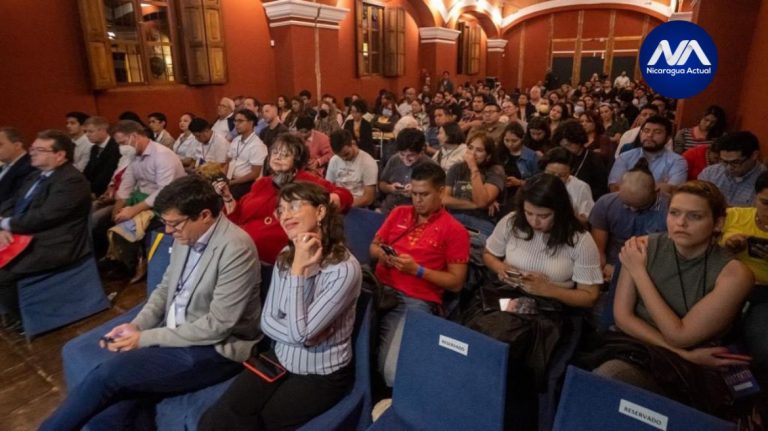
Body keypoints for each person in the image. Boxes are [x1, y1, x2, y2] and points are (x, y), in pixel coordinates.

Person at [39, 176, 263, 431]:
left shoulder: (236, 248)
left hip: (214, 349)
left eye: (174, 224)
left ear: (204, 215)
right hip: (176, 330)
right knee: (118, 397)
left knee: (107, 377)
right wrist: (137, 326)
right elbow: (165, 288)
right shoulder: (186, 236)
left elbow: (217, 327)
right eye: (165, 223)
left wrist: (143, 339)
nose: (168, 231)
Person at [200, 181, 361, 430]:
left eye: (294, 206)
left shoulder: (343, 269)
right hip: (280, 356)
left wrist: (298, 272)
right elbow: (268, 322)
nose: (285, 215)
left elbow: (299, 333)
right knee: (218, 418)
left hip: (320, 373)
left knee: (261, 425)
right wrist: (300, 334)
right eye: (281, 209)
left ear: (320, 212)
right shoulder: (288, 252)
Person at [591, 181, 754, 414]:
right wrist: (684, 353)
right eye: (674, 213)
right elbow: (623, 317)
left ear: (718, 223)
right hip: (638, 349)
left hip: (692, 369)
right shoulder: (642, 247)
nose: (680, 223)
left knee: (611, 379)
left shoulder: (735, 274)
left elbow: (679, 335)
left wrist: (639, 273)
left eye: (695, 216)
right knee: (605, 378)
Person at [481, 173, 603, 429]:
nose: (535, 221)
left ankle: (511, 409)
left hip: (552, 308)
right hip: (511, 296)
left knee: (513, 339)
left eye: (544, 215)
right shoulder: (512, 222)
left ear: (559, 210)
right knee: (487, 326)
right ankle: (484, 398)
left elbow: (589, 296)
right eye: (529, 213)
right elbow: (489, 255)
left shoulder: (579, 240)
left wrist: (548, 288)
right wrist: (502, 268)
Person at [372, 162, 470, 386]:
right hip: (379, 287)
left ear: (441, 192)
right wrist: (383, 255)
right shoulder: (399, 212)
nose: (417, 200)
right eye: (414, 194)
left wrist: (417, 270)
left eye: (424, 194)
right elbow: (374, 246)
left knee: (391, 372)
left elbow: (456, 283)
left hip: (414, 300)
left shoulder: (455, 230)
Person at [215, 133, 352, 266]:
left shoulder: (308, 181)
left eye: (285, 154)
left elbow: (345, 195)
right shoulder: (261, 183)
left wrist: (321, 204)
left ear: (297, 160)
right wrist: (227, 197)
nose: (278, 157)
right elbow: (237, 215)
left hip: (276, 259)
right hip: (242, 250)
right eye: (275, 153)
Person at [0, 130, 91, 323]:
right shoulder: (37, 176)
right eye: (33, 148)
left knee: (2, 274)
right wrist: (3, 226)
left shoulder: (71, 180)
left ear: (59, 155)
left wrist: (6, 224)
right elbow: (12, 203)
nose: (32, 152)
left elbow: (45, 217)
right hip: (25, 233)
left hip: (53, 242)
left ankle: (24, 321)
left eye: (39, 150)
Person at [720, 171, 768, 385]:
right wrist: (728, 246)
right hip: (724, 284)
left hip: (763, 294)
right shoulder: (734, 216)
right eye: (765, 202)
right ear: (755, 197)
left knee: (763, 347)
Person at [590, 159, 669, 281]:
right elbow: (598, 250)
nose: (632, 210)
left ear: (656, 192)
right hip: (611, 265)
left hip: (653, 269)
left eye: (640, 207)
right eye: (627, 205)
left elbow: (668, 254)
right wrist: (602, 268)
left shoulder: (670, 209)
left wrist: (622, 272)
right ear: (618, 189)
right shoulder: (605, 203)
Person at [443, 132, 505, 236]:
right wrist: (475, 205)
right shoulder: (456, 168)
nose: (472, 153)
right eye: (470, 148)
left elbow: (481, 201)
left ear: (488, 156)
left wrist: (473, 168)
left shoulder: (495, 171)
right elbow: (445, 199)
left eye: (479, 150)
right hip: (455, 217)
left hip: (481, 222)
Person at [608, 115, 687, 193]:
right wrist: (658, 187)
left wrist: (629, 187)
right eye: (646, 131)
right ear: (640, 134)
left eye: (657, 132)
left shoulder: (677, 161)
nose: (649, 135)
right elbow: (615, 187)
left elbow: (672, 190)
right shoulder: (625, 157)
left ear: (668, 138)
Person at [698, 131, 766, 207]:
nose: (728, 167)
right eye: (724, 161)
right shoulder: (710, 173)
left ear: (754, 155)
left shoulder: (764, 181)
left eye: (735, 162)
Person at [378, 128, 435, 214]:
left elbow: (436, 197)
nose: (405, 159)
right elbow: (382, 184)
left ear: (421, 151)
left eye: (411, 155)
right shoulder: (395, 159)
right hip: (389, 209)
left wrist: (416, 192)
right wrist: (390, 188)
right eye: (402, 154)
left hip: (415, 213)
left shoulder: (431, 167)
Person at [555, 119, 609, 200]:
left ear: (578, 140)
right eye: (563, 146)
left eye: (568, 145)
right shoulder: (562, 156)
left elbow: (601, 190)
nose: (566, 149)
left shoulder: (593, 160)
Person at [326, 129, 378, 208]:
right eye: (340, 156)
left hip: (358, 205)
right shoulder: (334, 160)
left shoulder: (368, 162)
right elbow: (328, 187)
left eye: (346, 154)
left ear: (353, 143)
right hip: (338, 202)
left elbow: (368, 198)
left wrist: (345, 207)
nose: (344, 159)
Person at [542, 147, 595, 224]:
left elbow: (587, 219)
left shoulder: (581, 187)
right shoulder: (537, 183)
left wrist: (567, 213)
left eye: (562, 175)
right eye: (551, 174)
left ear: (570, 172)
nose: (556, 179)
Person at [497, 122, 539, 216]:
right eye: (506, 140)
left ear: (522, 139)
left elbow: (537, 181)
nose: (510, 144)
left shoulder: (531, 156)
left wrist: (519, 182)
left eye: (514, 141)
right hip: (500, 192)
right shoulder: (500, 152)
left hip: (521, 194)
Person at [227, 109, 268, 199]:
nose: (236, 124)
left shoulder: (257, 145)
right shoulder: (236, 140)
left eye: (240, 121)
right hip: (232, 178)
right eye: (235, 121)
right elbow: (229, 159)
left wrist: (232, 182)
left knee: (226, 196)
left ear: (251, 123)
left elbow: (254, 174)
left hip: (247, 183)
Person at [82, 116, 121, 197]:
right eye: (86, 132)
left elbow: (108, 174)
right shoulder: (94, 148)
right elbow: (88, 171)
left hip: (108, 192)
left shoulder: (116, 147)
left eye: (90, 131)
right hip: (92, 191)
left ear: (103, 130)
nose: (87, 135)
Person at [0, 127, 33, 204]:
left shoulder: (29, 167)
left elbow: (14, 200)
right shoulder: (3, 167)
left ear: (17, 145)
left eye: (0, 144)